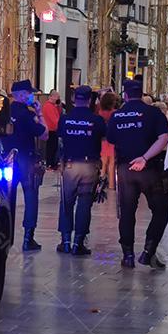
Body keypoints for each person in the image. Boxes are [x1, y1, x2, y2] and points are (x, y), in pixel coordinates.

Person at [106, 78, 168, 270]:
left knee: (126, 212)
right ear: (141, 94)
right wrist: (145, 157)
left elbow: (110, 138)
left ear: (124, 95)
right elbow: (165, 137)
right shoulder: (153, 113)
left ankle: (128, 255)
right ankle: (148, 252)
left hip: (126, 169)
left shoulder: (117, 116)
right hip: (150, 169)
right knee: (160, 211)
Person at [55, 86, 105, 255]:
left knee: (66, 202)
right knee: (84, 203)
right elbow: (105, 138)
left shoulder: (65, 119)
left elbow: (60, 141)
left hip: (69, 165)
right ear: (90, 100)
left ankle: (66, 241)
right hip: (90, 165)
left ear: (74, 99)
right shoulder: (96, 120)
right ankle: (78, 243)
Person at [7, 80, 48, 252]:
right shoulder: (27, 114)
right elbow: (45, 134)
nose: (32, 96)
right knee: (31, 197)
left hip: (7, 160)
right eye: (30, 93)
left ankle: (5, 233)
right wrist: (40, 113)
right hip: (26, 159)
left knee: (6, 198)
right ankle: (28, 238)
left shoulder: (4, 111)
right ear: (22, 94)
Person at [97, 91, 118, 190]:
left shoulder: (100, 112)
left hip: (103, 139)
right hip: (112, 138)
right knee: (112, 162)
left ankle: (101, 182)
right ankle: (111, 184)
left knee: (104, 161)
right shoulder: (114, 113)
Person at [41, 90, 63, 170]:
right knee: (51, 148)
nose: (58, 98)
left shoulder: (53, 106)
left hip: (53, 129)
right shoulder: (48, 106)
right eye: (57, 96)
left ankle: (52, 163)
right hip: (51, 130)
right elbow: (54, 120)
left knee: (53, 147)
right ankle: (50, 164)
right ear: (52, 96)